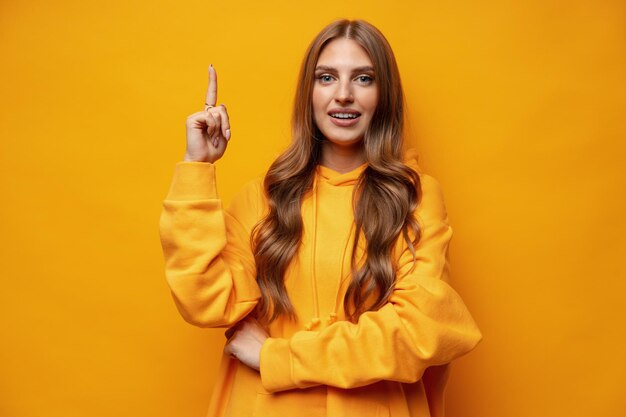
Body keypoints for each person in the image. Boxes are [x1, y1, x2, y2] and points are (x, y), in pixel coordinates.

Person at [159, 19, 482, 417]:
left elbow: (419, 333)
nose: (343, 95)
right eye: (327, 77)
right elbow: (205, 301)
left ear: (384, 97)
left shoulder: (415, 199)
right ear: (309, 94)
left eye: (363, 79)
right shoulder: (262, 198)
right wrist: (197, 166)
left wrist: (279, 357)